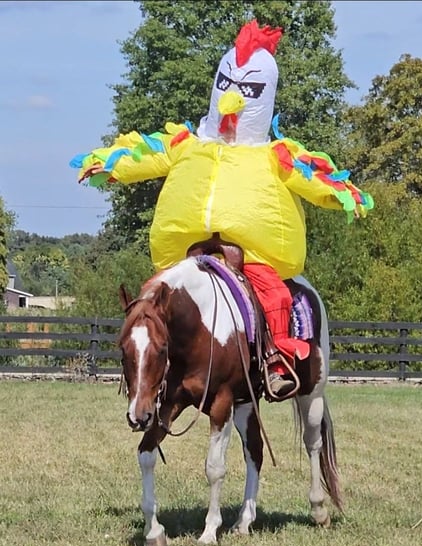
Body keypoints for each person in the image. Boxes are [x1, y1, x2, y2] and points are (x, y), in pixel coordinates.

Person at [70, 19, 374, 399]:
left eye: (248, 91)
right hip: (187, 252)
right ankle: (150, 363)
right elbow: (143, 153)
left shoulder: (276, 156)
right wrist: (106, 164)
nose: (234, 102)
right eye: (228, 86)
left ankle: (276, 361)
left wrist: (343, 194)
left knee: (276, 296)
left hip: (252, 255)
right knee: (151, 296)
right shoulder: (186, 143)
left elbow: (312, 176)